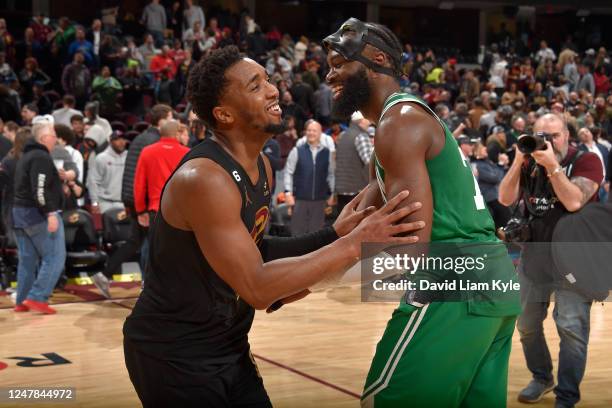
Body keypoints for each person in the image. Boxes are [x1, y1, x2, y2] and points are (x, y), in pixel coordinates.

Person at [123, 45, 424, 407]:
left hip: (228, 344)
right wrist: (353, 244)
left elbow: (258, 250)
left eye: (268, 79)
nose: (273, 90)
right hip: (173, 352)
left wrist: (335, 234)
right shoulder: (204, 178)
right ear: (224, 115)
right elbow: (257, 287)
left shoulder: (263, 167)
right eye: (254, 86)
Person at [323, 18, 521, 407]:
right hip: (491, 282)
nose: (330, 74)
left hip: (455, 281)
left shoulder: (400, 122)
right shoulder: (397, 124)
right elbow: (354, 226)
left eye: (338, 63)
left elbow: (411, 249)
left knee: (386, 401)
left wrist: (317, 281)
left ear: (376, 59)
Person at [498, 114, 604, 408]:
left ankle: (567, 396)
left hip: (575, 261)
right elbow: (505, 198)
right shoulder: (529, 163)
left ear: (567, 136)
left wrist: (553, 168)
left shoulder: (587, 162)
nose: (548, 141)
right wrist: (519, 161)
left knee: (570, 329)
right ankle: (542, 377)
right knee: (526, 325)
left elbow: (573, 201)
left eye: (554, 135)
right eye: (541, 135)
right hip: (535, 258)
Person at [12, 118, 66, 314]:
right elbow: (40, 190)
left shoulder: (26, 156)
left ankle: (21, 301)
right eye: (53, 135)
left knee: (27, 260)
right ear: (44, 138)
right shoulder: (41, 157)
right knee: (55, 256)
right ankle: (37, 297)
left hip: (19, 213)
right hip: (37, 215)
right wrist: (50, 213)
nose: (56, 139)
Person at [133, 119, 189, 230]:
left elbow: (139, 184)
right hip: (181, 212)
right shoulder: (187, 153)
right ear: (177, 133)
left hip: (156, 211)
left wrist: (140, 210)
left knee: (156, 247)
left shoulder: (147, 151)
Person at [284, 120, 334, 235]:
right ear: (306, 132)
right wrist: (288, 193)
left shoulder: (327, 153)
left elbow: (331, 174)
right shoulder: (297, 151)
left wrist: (332, 194)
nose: (311, 133)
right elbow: (288, 172)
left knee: (316, 235)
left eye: (314, 131)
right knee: (297, 234)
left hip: (320, 200)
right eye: (309, 130)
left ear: (320, 133)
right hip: (300, 200)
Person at [335, 112, 373, 214]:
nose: (369, 123)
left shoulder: (343, 135)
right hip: (356, 189)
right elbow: (370, 162)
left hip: (341, 189)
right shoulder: (361, 136)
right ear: (361, 121)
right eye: (367, 120)